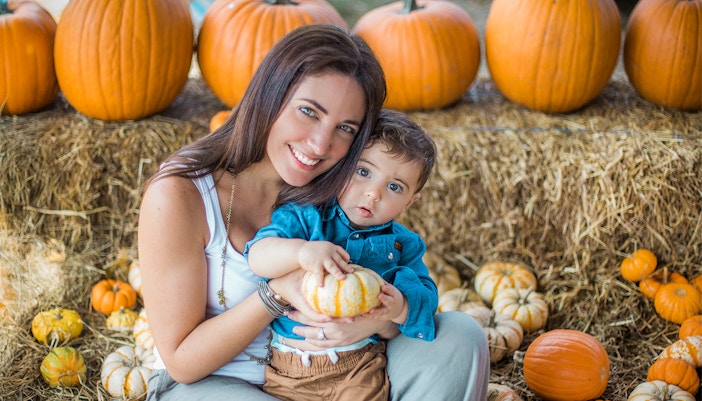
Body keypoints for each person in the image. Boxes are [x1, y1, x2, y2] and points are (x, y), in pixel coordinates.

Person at [138, 24, 490, 401]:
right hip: (216, 385)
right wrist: (277, 293)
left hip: (344, 371)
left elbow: (389, 286)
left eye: (345, 128)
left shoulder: (341, 186)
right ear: (269, 96)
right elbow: (182, 362)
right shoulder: (180, 194)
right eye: (308, 111)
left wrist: (374, 322)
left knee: (460, 337)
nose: (321, 144)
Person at [245, 109, 439, 401]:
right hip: (288, 369)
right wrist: (301, 251)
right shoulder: (305, 217)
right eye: (363, 172)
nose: (373, 193)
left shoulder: (401, 245)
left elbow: (428, 298)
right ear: (343, 167)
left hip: (358, 368)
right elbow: (257, 256)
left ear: (409, 203)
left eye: (394, 187)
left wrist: (399, 308)